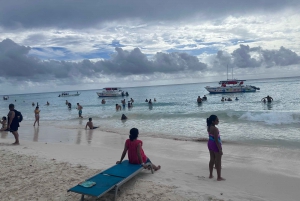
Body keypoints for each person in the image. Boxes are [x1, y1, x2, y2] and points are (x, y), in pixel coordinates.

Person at [207, 115, 225, 181]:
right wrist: (220, 149)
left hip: (210, 143)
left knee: (212, 159)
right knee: (218, 161)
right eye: (217, 120)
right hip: (215, 144)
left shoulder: (209, 127)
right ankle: (219, 177)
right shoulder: (215, 129)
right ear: (213, 121)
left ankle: (211, 175)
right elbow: (216, 140)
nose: (218, 121)